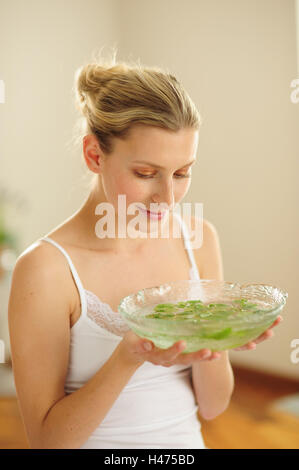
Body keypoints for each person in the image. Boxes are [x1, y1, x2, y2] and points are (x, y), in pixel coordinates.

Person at [8, 52, 282, 449]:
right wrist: (129, 357)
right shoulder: (47, 270)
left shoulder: (198, 240)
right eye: (146, 174)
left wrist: (216, 340)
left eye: (183, 173)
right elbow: (48, 442)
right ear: (94, 155)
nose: (167, 198)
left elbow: (214, 406)